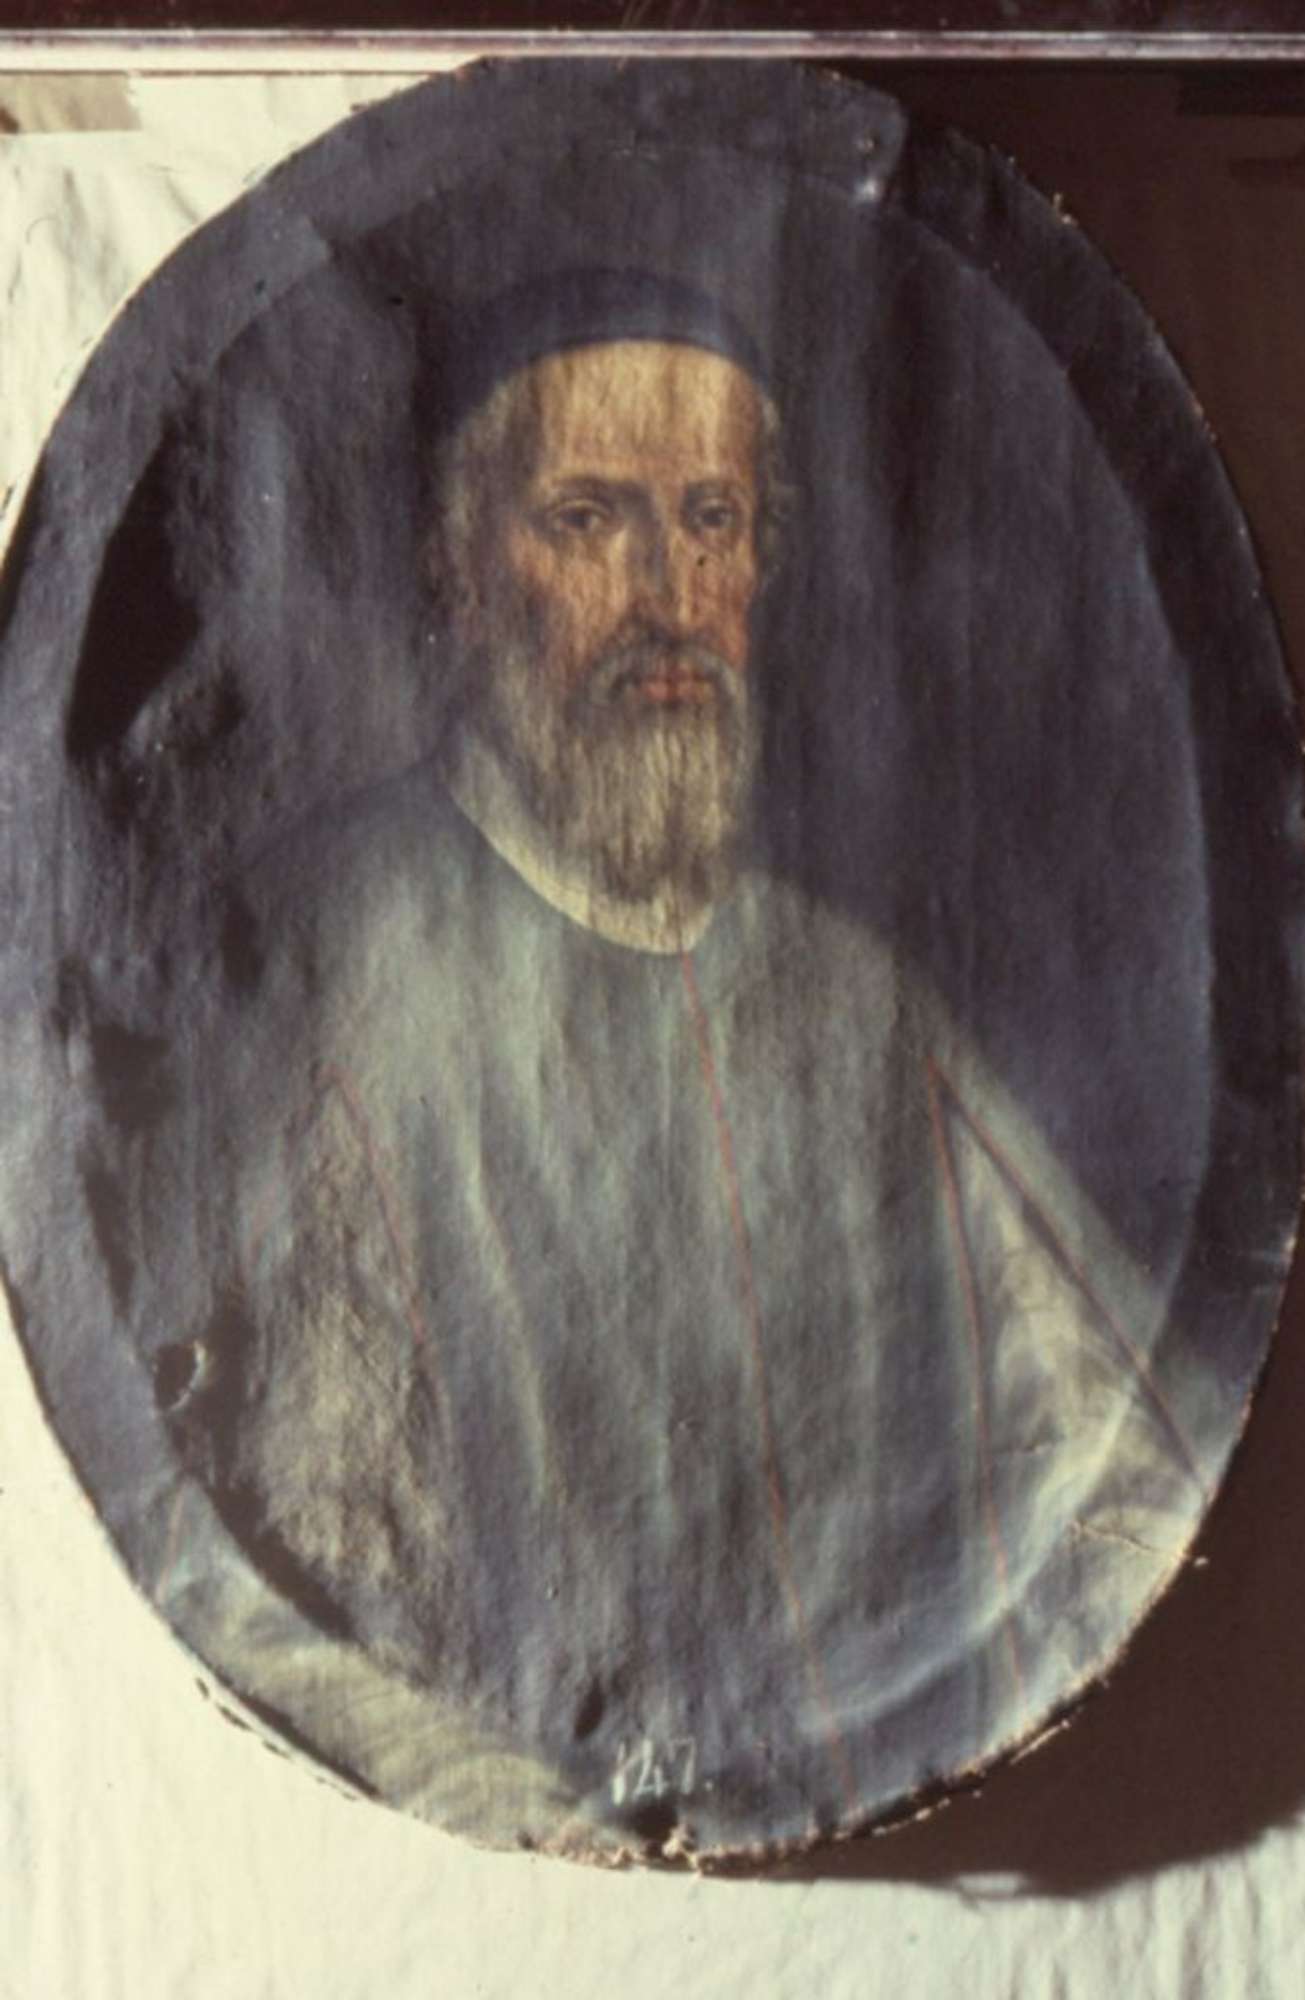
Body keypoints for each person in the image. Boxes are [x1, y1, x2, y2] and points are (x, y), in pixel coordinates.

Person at [157, 271, 1220, 1853]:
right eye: (587, 520)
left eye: (709, 519)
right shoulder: (324, 958)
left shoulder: (848, 997)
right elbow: (247, 1576)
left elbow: (1118, 1479)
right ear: (458, 567)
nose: (666, 595)